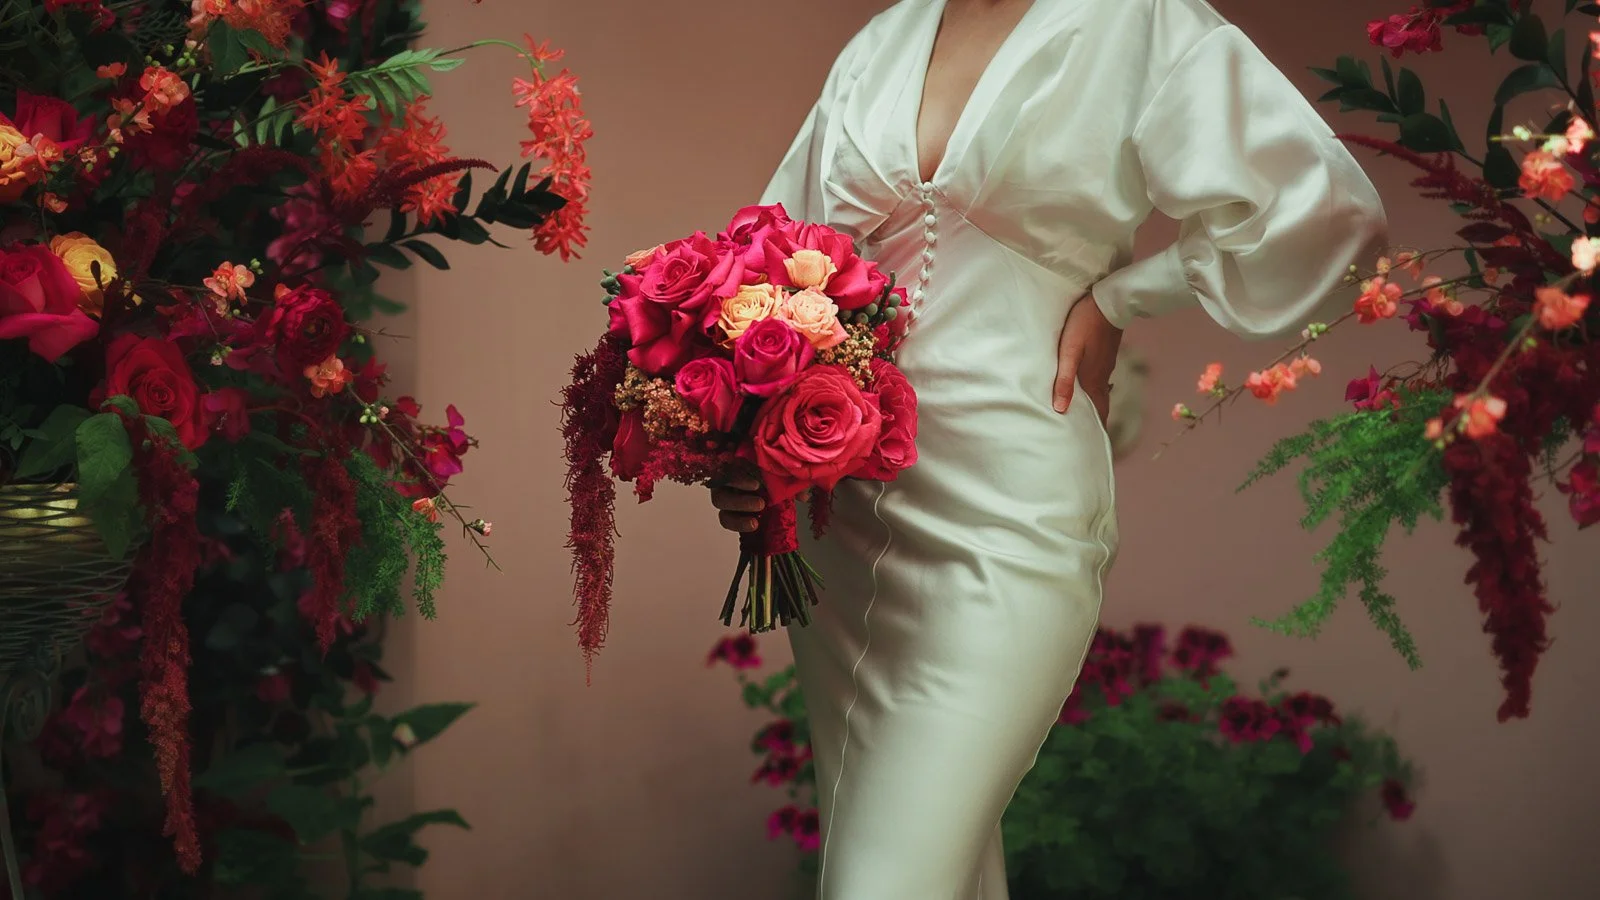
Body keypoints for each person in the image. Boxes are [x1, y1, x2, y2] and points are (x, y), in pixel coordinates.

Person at [711, 0, 1386, 896]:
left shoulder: (1137, 19)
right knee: (934, 874)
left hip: (1006, 515)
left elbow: (1325, 208)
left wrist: (1120, 299)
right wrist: (744, 443)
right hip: (842, 521)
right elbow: (765, 261)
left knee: (884, 884)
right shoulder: (883, 41)